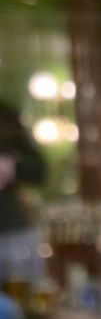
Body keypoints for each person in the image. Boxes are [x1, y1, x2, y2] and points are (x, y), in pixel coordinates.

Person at [0, 100, 47, 288]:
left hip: (13, 235)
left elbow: (38, 169)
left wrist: (11, 167)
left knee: (24, 299)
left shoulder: (5, 115)